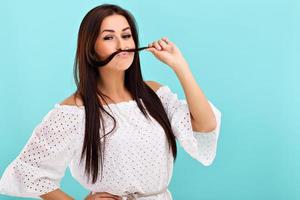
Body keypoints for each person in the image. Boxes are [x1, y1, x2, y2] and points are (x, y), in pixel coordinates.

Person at [0, 4, 222, 200]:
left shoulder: (154, 94)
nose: (121, 44)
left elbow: (205, 125)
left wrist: (179, 66)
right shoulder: (74, 112)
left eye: (126, 36)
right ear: (91, 47)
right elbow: (27, 170)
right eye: (108, 37)